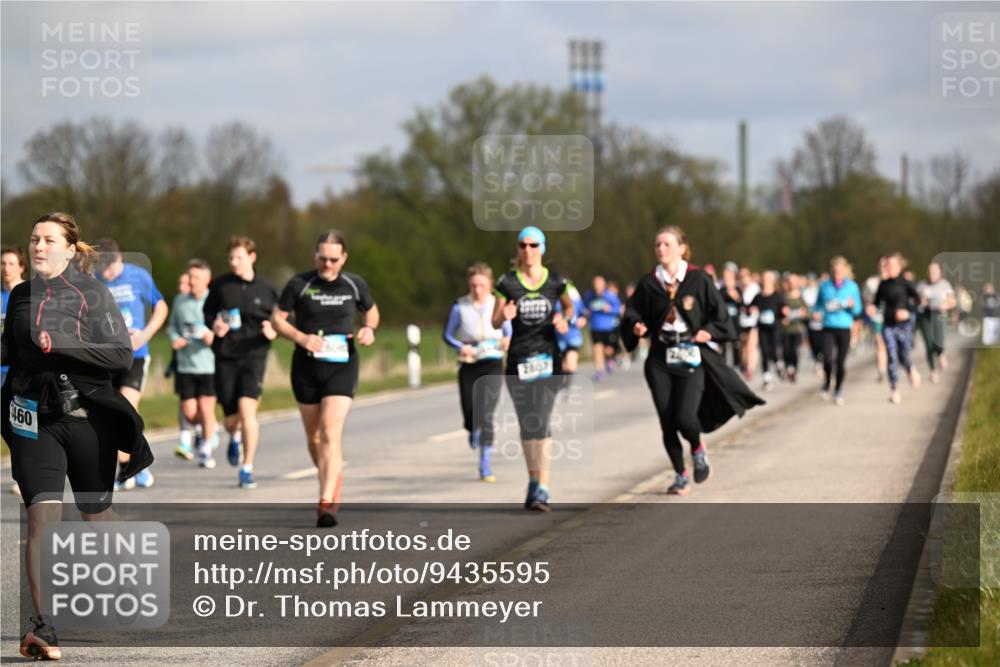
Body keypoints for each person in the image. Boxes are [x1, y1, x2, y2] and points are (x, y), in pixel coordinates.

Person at [2, 212, 153, 661]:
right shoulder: (20, 296)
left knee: (95, 515)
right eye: (34, 239)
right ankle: (42, 627)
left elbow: (121, 354)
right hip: (34, 421)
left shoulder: (92, 293)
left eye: (48, 240)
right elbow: (11, 349)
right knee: (40, 518)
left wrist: (61, 345)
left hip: (86, 419)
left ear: (70, 249)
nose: (39, 246)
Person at [620, 226, 763, 495]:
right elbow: (632, 313)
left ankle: (697, 449)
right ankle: (680, 475)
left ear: (682, 248)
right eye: (657, 245)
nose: (661, 249)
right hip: (660, 358)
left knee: (685, 418)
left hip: (691, 357)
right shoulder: (650, 283)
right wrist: (637, 327)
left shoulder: (698, 279)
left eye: (666, 244)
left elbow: (720, 315)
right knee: (667, 421)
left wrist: (709, 331)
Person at [273, 231, 379, 526]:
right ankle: (332, 475)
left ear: (343, 257)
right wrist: (300, 337)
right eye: (323, 258)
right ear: (315, 255)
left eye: (334, 259)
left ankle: (326, 501)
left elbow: (371, 312)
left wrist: (369, 329)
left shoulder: (353, 284)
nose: (328, 264)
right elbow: (276, 318)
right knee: (314, 438)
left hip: (342, 365)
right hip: (306, 366)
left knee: (330, 430)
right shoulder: (299, 283)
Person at [492, 226, 574, 512]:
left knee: (542, 420)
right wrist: (504, 315)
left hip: (549, 359)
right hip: (518, 361)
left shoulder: (556, 282)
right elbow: (493, 321)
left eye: (533, 245)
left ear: (543, 248)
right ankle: (532, 480)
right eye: (523, 245)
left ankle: (543, 488)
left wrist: (565, 320)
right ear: (518, 249)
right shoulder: (507, 283)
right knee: (528, 423)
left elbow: (569, 307)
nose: (528, 250)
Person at [203, 236, 279, 489]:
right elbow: (208, 313)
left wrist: (273, 329)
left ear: (252, 257)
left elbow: (282, 319)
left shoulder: (267, 289)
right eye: (231, 258)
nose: (235, 262)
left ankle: (247, 468)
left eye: (240, 257)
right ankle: (233, 436)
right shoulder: (221, 286)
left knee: (248, 413)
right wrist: (214, 324)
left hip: (255, 356)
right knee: (230, 418)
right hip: (225, 355)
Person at [96, 238, 168, 491]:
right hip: (106, 359)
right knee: (108, 415)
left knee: (124, 409)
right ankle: (132, 463)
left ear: (120, 260)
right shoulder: (94, 280)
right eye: (101, 269)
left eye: (110, 268)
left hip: (135, 356)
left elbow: (161, 307)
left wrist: (146, 335)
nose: (106, 274)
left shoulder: (138, 276)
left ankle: (131, 465)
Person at [443, 263, 512, 483]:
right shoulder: (460, 306)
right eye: (473, 285)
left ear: (490, 285)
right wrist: (459, 346)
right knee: (470, 413)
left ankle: (485, 465)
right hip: (469, 362)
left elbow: (508, 331)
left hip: (492, 362)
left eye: (481, 285)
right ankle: (472, 429)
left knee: (487, 414)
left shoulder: (497, 304)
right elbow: (447, 334)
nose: (477, 289)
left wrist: (507, 340)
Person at [169, 259, 219, 466]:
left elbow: (224, 327)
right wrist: (175, 339)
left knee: (206, 409)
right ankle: (207, 430)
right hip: (185, 364)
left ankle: (206, 450)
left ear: (207, 280)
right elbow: (172, 326)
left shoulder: (215, 301)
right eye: (190, 276)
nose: (192, 281)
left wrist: (212, 336)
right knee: (190, 412)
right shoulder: (180, 301)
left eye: (196, 277)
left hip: (208, 364)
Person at [871, 253, 922, 404]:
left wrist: (907, 311)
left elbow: (918, 302)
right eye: (887, 265)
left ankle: (910, 368)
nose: (889, 268)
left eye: (892, 265)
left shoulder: (906, 283)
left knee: (903, 354)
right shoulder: (883, 284)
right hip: (888, 325)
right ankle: (894, 390)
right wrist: (872, 308)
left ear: (899, 266)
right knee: (892, 356)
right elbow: (876, 303)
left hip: (904, 325)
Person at [813, 257, 862, 405]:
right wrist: (816, 312)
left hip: (844, 328)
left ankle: (838, 390)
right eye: (834, 271)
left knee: (840, 362)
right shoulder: (824, 286)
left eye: (840, 271)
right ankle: (828, 381)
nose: (837, 273)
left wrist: (852, 305)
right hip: (828, 327)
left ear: (845, 270)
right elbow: (818, 305)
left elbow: (858, 309)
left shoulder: (852, 287)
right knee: (827, 359)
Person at [916, 262, 956, 383]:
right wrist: (921, 302)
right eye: (930, 271)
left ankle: (941, 353)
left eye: (934, 271)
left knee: (939, 342)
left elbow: (953, 301)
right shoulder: (922, 285)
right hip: (925, 316)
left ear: (940, 272)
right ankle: (933, 371)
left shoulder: (945, 285)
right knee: (928, 344)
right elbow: (915, 300)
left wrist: (945, 305)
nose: (932, 274)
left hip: (939, 315)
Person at [750, 270, 787, 391]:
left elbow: (785, 311)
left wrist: (785, 313)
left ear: (773, 281)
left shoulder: (778, 296)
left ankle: (778, 364)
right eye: (764, 279)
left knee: (774, 351)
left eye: (768, 279)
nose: (765, 282)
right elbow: (749, 308)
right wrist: (751, 309)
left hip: (775, 328)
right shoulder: (758, 296)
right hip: (762, 328)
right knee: (764, 353)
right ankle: (767, 379)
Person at [583, 275, 622, 382]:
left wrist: (610, 309)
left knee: (608, 350)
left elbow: (619, 308)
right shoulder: (589, 295)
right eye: (595, 285)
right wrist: (585, 312)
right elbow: (584, 306)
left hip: (608, 327)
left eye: (599, 285)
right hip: (595, 326)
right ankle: (599, 371)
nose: (597, 287)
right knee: (597, 349)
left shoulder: (610, 295)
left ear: (603, 285)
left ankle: (609, 360)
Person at [863, 256, 890, 383]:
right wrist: (868, 308)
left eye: (886, 264)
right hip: (877, 318)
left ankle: (890, 366)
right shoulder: (871, 282)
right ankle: (882, 371)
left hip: (892, 318)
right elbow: (865, 300)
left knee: (890, 344)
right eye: (881, 264)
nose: (883, 267)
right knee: (880, 344)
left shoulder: (895, 282)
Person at [555, 280, 586, 375]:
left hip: (573, 336)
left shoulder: (576, 301)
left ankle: (568, 387)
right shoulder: (555, 302)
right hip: (558, 338)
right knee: (562, 366)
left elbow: (584, 314)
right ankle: (563, 385)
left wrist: (583, 320)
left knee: (571, 364)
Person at [781, 273, 807, 383]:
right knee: (786, 350)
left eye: (793, 282)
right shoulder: (783, 296)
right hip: (785, 329)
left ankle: (794, 369)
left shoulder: (801, 296)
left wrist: (802, 313)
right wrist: (782, 315)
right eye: (790, 281)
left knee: (795, 350)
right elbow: (778, 310)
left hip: (797, 328)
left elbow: (807, 311)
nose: (791, 284)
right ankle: (788, 367)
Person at [737, 267, 760, 381]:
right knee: (743, 347)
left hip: (753, 322)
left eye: (745, 276)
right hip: (741, 322)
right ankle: (745, 365)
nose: (743, 279)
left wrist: (755, 308)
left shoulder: (755, 289)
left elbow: (760, 302)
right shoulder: (737, 289)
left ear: (749, 277)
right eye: (741, 277)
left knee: (751, 346)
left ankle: (750, 369)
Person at [718, 263, 743, 368]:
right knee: (723, 345)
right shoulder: (721, 290)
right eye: (725, 277)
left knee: (736, 344)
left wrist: (734, 295)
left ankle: (737, 365)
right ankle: (723, 366)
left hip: (735, 321)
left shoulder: (738, 290)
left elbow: (742, 304)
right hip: (724, 321)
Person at [801, 272, 825, 378]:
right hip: (810, 321)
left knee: (822, 342)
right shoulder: (804, 292)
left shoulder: (820, 290)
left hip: (822, 321)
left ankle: (821, 360)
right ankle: (817, 360)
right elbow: (804, 307)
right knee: (813, 343)